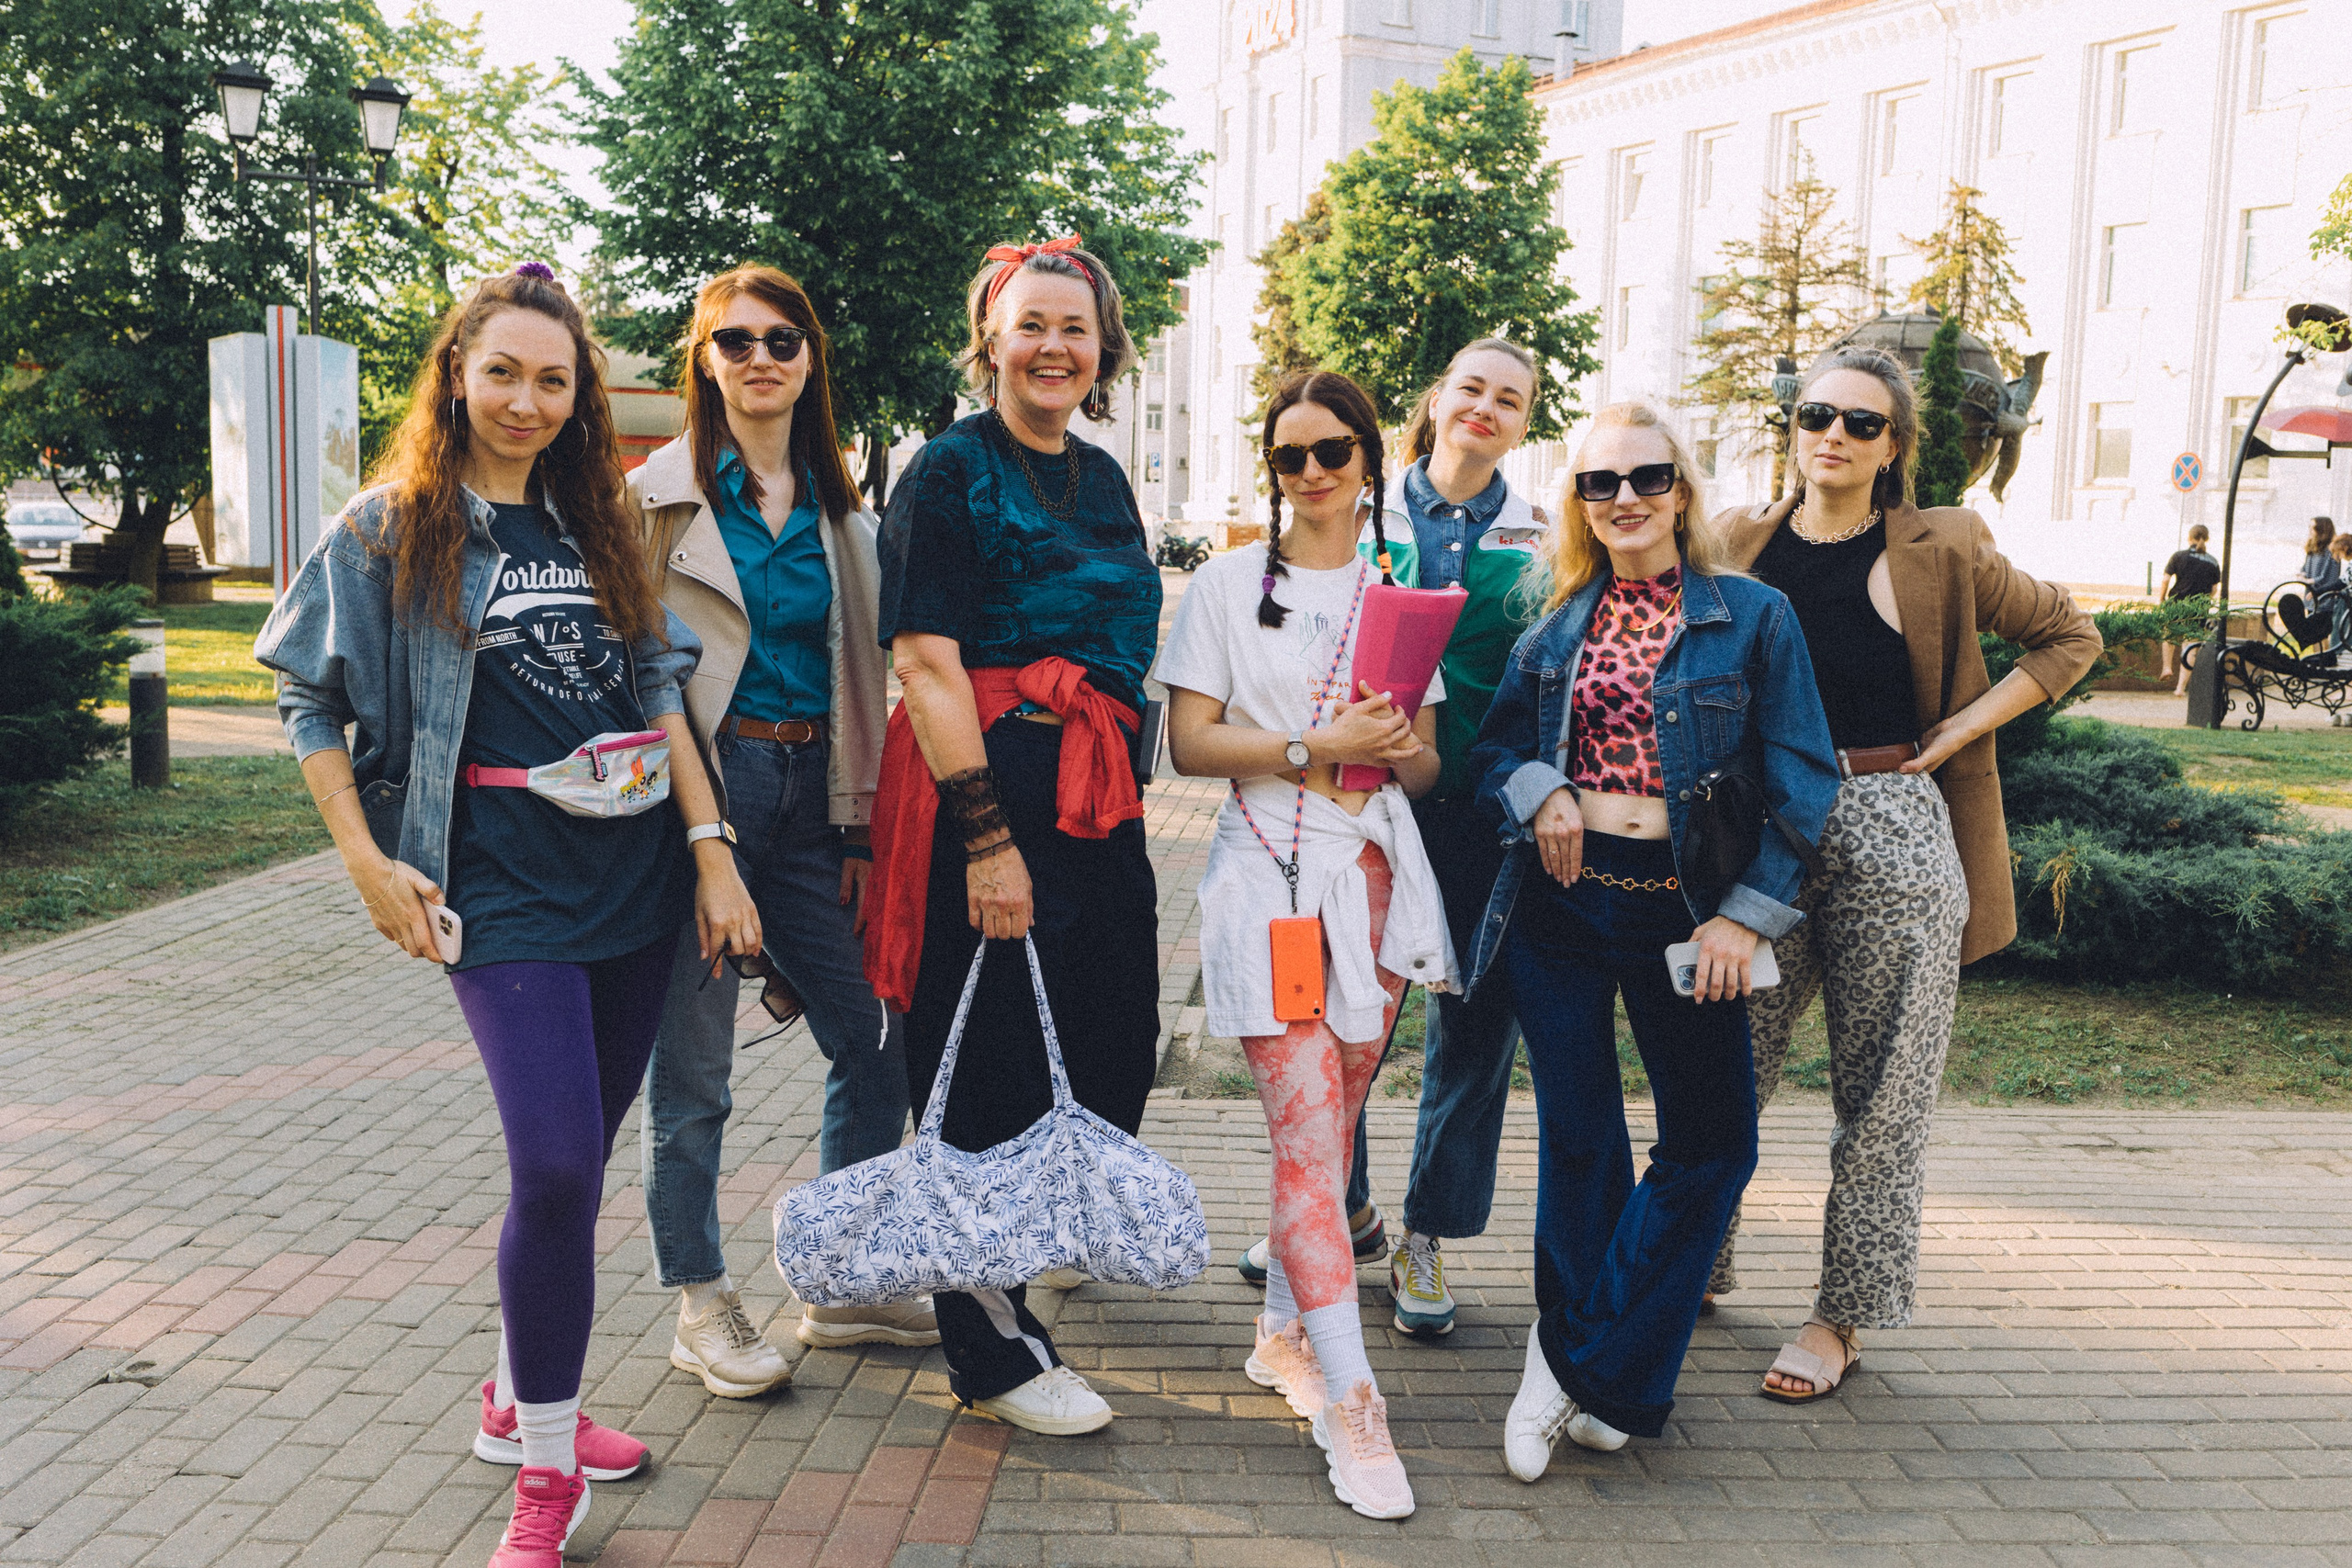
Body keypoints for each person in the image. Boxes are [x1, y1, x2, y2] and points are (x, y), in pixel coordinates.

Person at [255, 265, 762, 1568]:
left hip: (640, 875)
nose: (527, 400)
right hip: (504, 889)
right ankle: (546, 1472)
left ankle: (514, 1394)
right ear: (457, 377)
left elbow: (660, 694)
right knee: (548, 1163)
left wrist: (710, 854)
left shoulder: (597, 522)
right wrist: (366, 859)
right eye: (503, 373)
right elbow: (308, 698)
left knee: (580, 1165)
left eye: (554, 378)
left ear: (578, 392)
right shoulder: (392, 527)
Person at [1708, 346, 2100, 1402]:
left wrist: (1964, 727)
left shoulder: (1945, 545)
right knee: (1720, 1060)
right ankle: (1695, 1259)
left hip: (1893, 824)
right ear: (1791, 425)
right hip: (1760, 834)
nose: (1832, 434)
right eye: (1815, 414)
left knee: (1880, 1092)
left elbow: (2067, 635)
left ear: (1894, 447)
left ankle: (1841, 1315)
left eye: (1861, 423)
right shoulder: (1736, 542)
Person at [1467, 401, 1839, 1478]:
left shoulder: (1752, 617)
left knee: (1712, 1141)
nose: (1624, 499)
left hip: (1688, 914)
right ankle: (1584, 1374)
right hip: (1563, 908)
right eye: (1599, 483)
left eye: (1645, 478)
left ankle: (1579, 1360)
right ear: (1578, 504)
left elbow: (1804, 779)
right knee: (1582, 1144)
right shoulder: (1556, 623)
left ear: (1679, 488)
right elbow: (1494, 751)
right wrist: (1539, 789)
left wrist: (1745, 913)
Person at [866, 236, 1162, 1436]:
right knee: (984, 1067)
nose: (1053, 345)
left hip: (1097, 800)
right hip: (983, 790)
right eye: (1031, 323)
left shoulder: (1105, 478)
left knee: (1107, 1047)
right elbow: (927, 662)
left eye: (1075, 328)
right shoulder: (946, 471)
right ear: (990, 338)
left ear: (1103, 351)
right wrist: (989, 839)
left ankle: (1012, 1263)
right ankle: (991, 1345)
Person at [630, 265, 930, 1401]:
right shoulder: (653, 498)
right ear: (706, 358)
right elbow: (634, 671)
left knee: (873, 1035)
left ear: (811, 360)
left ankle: (840, 1281)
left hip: (816, 799)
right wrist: (699, 828)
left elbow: (873, 675)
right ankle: (699, 1301)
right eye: (737, 340)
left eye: (785, 338)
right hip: (698, 798)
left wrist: (857, 825)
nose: (762, 357)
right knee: (696, 1070)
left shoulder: (842, 509)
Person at [1160, 370, 1454, 1520]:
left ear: (1369, 459)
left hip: (1372, 889)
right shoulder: (1229, 587)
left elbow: (1425, 766)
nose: (1315, 472)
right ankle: (1352, 1399)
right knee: (1303, 1143)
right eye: (1291, 456)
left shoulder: (1406, 592)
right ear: (1270, 471)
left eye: (1335, 450)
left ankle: (1281, 1335)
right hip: (1266, 884)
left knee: (1331, 1140)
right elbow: (1188, 743)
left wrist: (1385, 744)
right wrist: (1309, 746)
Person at [1385, 337, 1550, 1339]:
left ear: (1526, 423)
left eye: (1510, 399)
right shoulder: (1361, 510)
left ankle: (1427, 1234)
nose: (1485, 407)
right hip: (1360, 800)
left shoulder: (1542, 538)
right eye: (1471, 388)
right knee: (1343, 1020)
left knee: (1475, 1025)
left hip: (1480, 811)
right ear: (1439, 399)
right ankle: (1333, 1212)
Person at [2157, 524, 2220, 694]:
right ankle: (2180, 688)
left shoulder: (2179, 556)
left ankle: (2167, 668)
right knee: (2191, 645)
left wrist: (2162, 598)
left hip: (2177, 603)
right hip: (2198, 607)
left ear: (2189, 538)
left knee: (2169, 635)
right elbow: (2214, 590)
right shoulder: (2213, 561)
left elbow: (2165, 579)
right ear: (2206, 539)